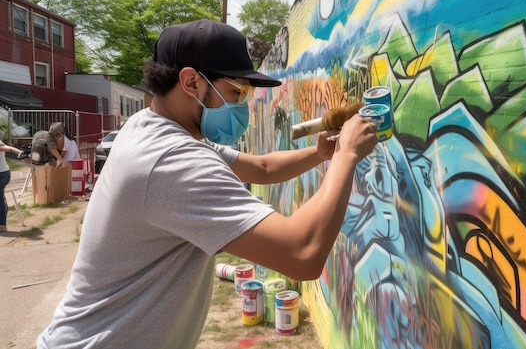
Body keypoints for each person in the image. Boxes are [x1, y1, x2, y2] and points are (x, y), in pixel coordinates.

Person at [37, 18, 378, 349]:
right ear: (191, 82)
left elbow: (262, 168)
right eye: (236, 91)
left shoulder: (156, 127)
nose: (242, 105)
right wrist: (347, 155)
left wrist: (323, 154)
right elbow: (302, 254)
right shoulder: (172, 160)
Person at [0, 141, 23, 232]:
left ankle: (2, 224)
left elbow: (4, 148)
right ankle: (2, 223)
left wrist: (17, 151)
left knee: (0, 199)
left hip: (1, 173)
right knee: (1, 198)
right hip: (4, 173)